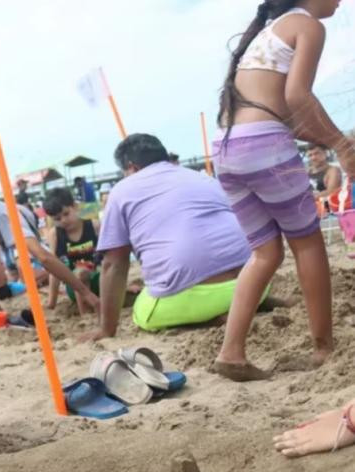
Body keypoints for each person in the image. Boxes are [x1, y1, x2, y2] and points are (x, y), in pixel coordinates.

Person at [210, 0, 354, 380]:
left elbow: (290, 118)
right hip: (264, 144)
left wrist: (335, 142)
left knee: (264, 253)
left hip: (226, 148)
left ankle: (232, 351)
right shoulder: (307, 25)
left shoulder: (265, 33)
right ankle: (324, 348)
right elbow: (297, 97)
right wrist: (341, 144)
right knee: (307, 243)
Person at [80, 134, 254, 341]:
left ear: (131, 167)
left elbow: (114, 264)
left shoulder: (121, 191)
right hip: (254, 283)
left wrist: (106, 330)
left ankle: (213, 318)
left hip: (203, 296)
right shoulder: (202, 177)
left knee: (143, 311)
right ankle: (251, 304)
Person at [44, 188, 101, 315]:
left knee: (85, 271)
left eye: (66, 214)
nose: (63, 220)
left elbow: (112, 259)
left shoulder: (94, 226)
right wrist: (51, 302)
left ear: (74, 207)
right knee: (80, 273)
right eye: (57, 219)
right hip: (76, 286)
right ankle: (85, 316)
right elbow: (54, 270)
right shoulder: (55, 235)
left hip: (100, 280)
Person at [306, 143, 343, 210]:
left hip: (328, 209)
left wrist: (306, 197)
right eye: (310, 155)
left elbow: (332, 191)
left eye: (317, 153)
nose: (313, 157)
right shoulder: (307, 172)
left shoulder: (333, 170)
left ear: (325, 154)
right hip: (311, 210)